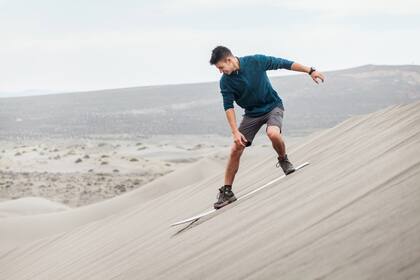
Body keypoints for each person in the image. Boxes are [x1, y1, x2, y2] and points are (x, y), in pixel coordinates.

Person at [209, 46, 325, 209]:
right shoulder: (226, 82)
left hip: (272, 107)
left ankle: (283, 160)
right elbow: (228, 107)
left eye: (221, 67)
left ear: (229, 60)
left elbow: (283, 63)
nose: (221, 72)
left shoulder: (255, 61)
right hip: (252, 114)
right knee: (236, 148)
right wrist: (235, 132)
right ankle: (227, 192)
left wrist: (310, 70)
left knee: (273, 134)